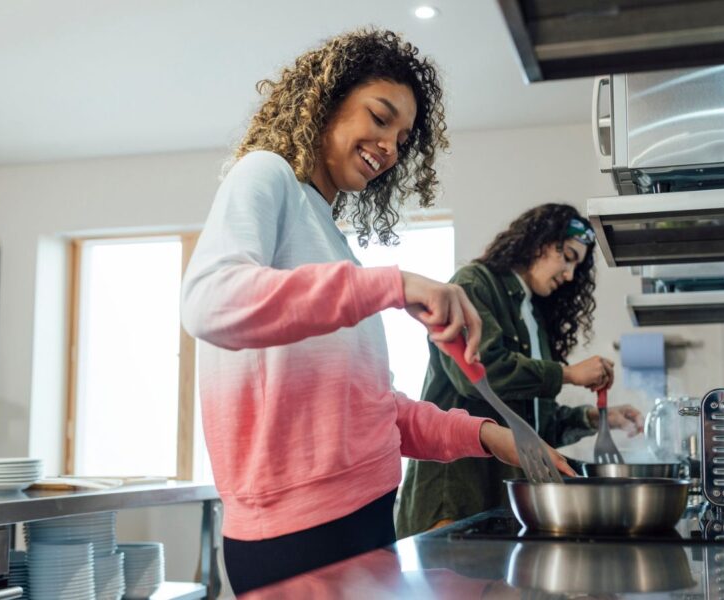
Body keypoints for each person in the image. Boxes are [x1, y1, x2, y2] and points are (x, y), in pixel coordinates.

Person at [179, 29, 573, 594]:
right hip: (295, 536)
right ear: (327, 99)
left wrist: (490, 435)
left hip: (363, 517)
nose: (390, 145)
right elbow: (209, 301)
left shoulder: (332, 242)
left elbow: (372, 410)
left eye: (404, 136)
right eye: (380, 117)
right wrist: (392, 285)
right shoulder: (265, 175)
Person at [396, 203, 645, 538]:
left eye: (577, 265)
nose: (570, 275)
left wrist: (596, 418)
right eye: (568, 256)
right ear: (541, 242)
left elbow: (533, 426)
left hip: (499, 499)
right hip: (454, 498)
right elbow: (482, 376)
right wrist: (567, 374)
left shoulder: (532, 313)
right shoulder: (474, 284)